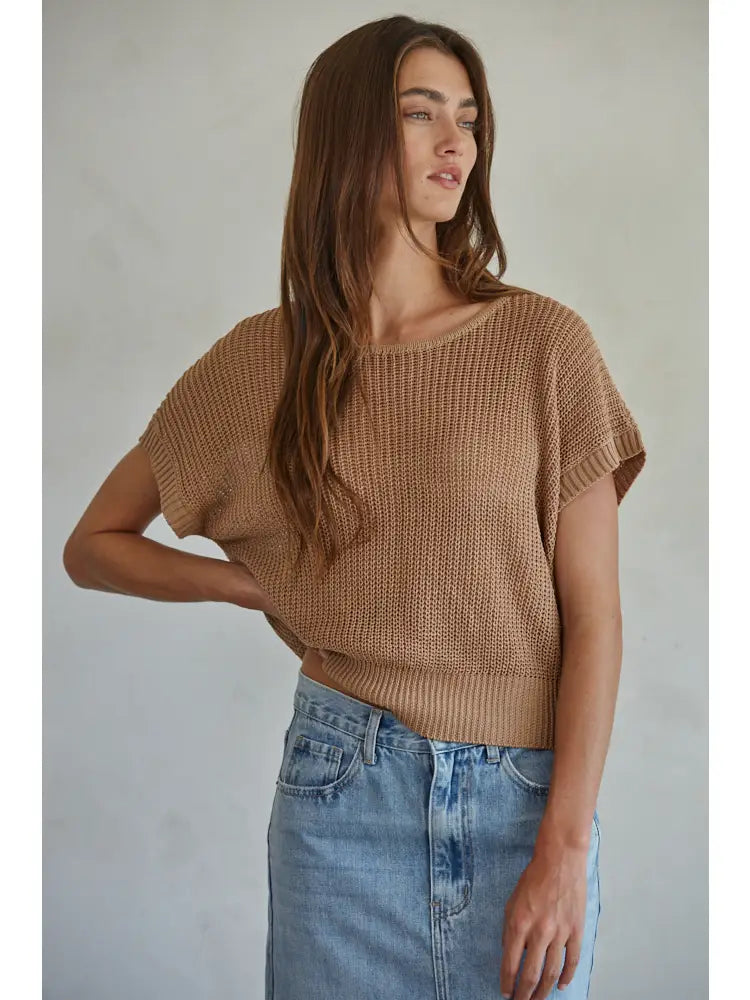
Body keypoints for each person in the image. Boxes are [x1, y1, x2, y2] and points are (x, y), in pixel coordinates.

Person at [63, 15, 647, 1000]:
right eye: (420, 114)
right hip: (340, 800)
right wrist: (250, 585)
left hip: (525, 804)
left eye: (469, 118)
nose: (456, 141)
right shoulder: (263, 363)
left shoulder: (544, 347)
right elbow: (94, 545)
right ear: (347, 135)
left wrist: (564, 847)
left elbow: (596, 620)